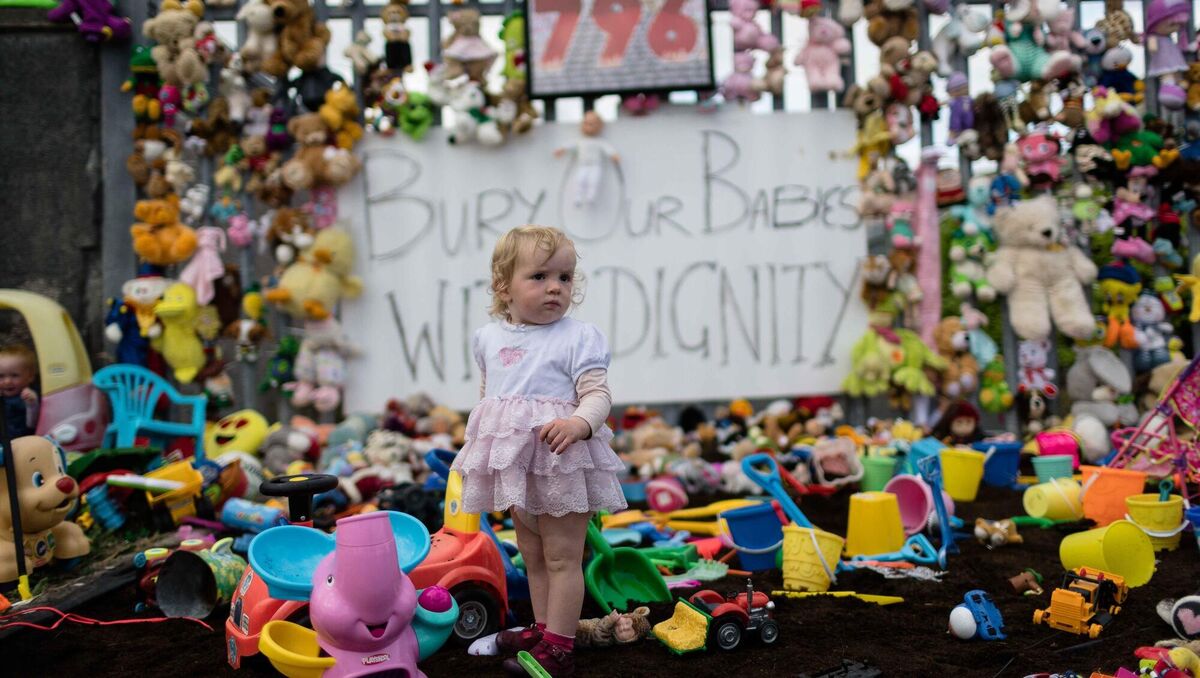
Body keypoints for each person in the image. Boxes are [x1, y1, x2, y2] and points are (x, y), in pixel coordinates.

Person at [450, 225, 627, 676]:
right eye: (540, 277)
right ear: (503, 286)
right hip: (518, 466)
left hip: (562, 461)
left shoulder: (577, 337)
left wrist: (579, 423)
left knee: (562, 556)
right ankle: (544, 627)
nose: (555, 287)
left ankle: (561, 647)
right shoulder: (488, 339)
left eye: (565, 278)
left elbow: (598, 395)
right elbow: (492, 401)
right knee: (531, 553)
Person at [554, 112, 620, 208]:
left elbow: (608, 149)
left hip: (595, 165)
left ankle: (590, 198)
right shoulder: (580, 141)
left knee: (594, 181)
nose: (588, 127)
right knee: (580, 180)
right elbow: (569, 145)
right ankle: (578, 198)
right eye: (586, 123)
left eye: (592, 124)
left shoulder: (599, 141)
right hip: (583, 165)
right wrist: (561, 150)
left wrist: (613, 155)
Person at [0, 344, 39, 438]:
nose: (7, 381)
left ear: (30, 376)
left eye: (14, 375)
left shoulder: (29, 396)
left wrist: (32, 404)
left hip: (24, 442)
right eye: (1, 376)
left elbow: (32, 424)